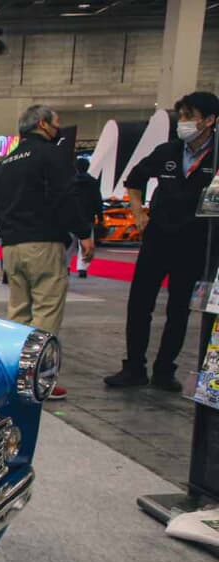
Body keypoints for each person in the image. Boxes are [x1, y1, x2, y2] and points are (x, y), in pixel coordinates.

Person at [105, 91, 219, 392]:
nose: (182, 122)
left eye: (189, 116)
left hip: (195, 243)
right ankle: (134, 367)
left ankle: (165, 369)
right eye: (180, 116)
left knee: (179, 310)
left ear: (209, 120)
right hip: (158, 238)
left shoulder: (217, 156)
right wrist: (138, 213)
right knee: (139, 304)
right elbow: (134, 180)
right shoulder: (168, 151)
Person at [0, 104, 93, 399]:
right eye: (56, 122)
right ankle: (36, 379)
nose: (58, 128)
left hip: (12, 247)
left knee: (18, 313)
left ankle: (13, 374)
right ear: (43, 124)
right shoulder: (52, 156)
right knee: (46, 313)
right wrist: (83, 232)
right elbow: (65, 197)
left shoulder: (6, 162)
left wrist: (13, 226)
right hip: (44, 243)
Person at [70, 157, 103, 278]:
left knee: (69, 244)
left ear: (75, 167)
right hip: (88, 217)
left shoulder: (70, 181)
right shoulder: (93, 182)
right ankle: (82, 268)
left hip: (72, 215)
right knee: (85, 244)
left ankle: (66, 266)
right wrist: (100, 217)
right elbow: (98, 200)